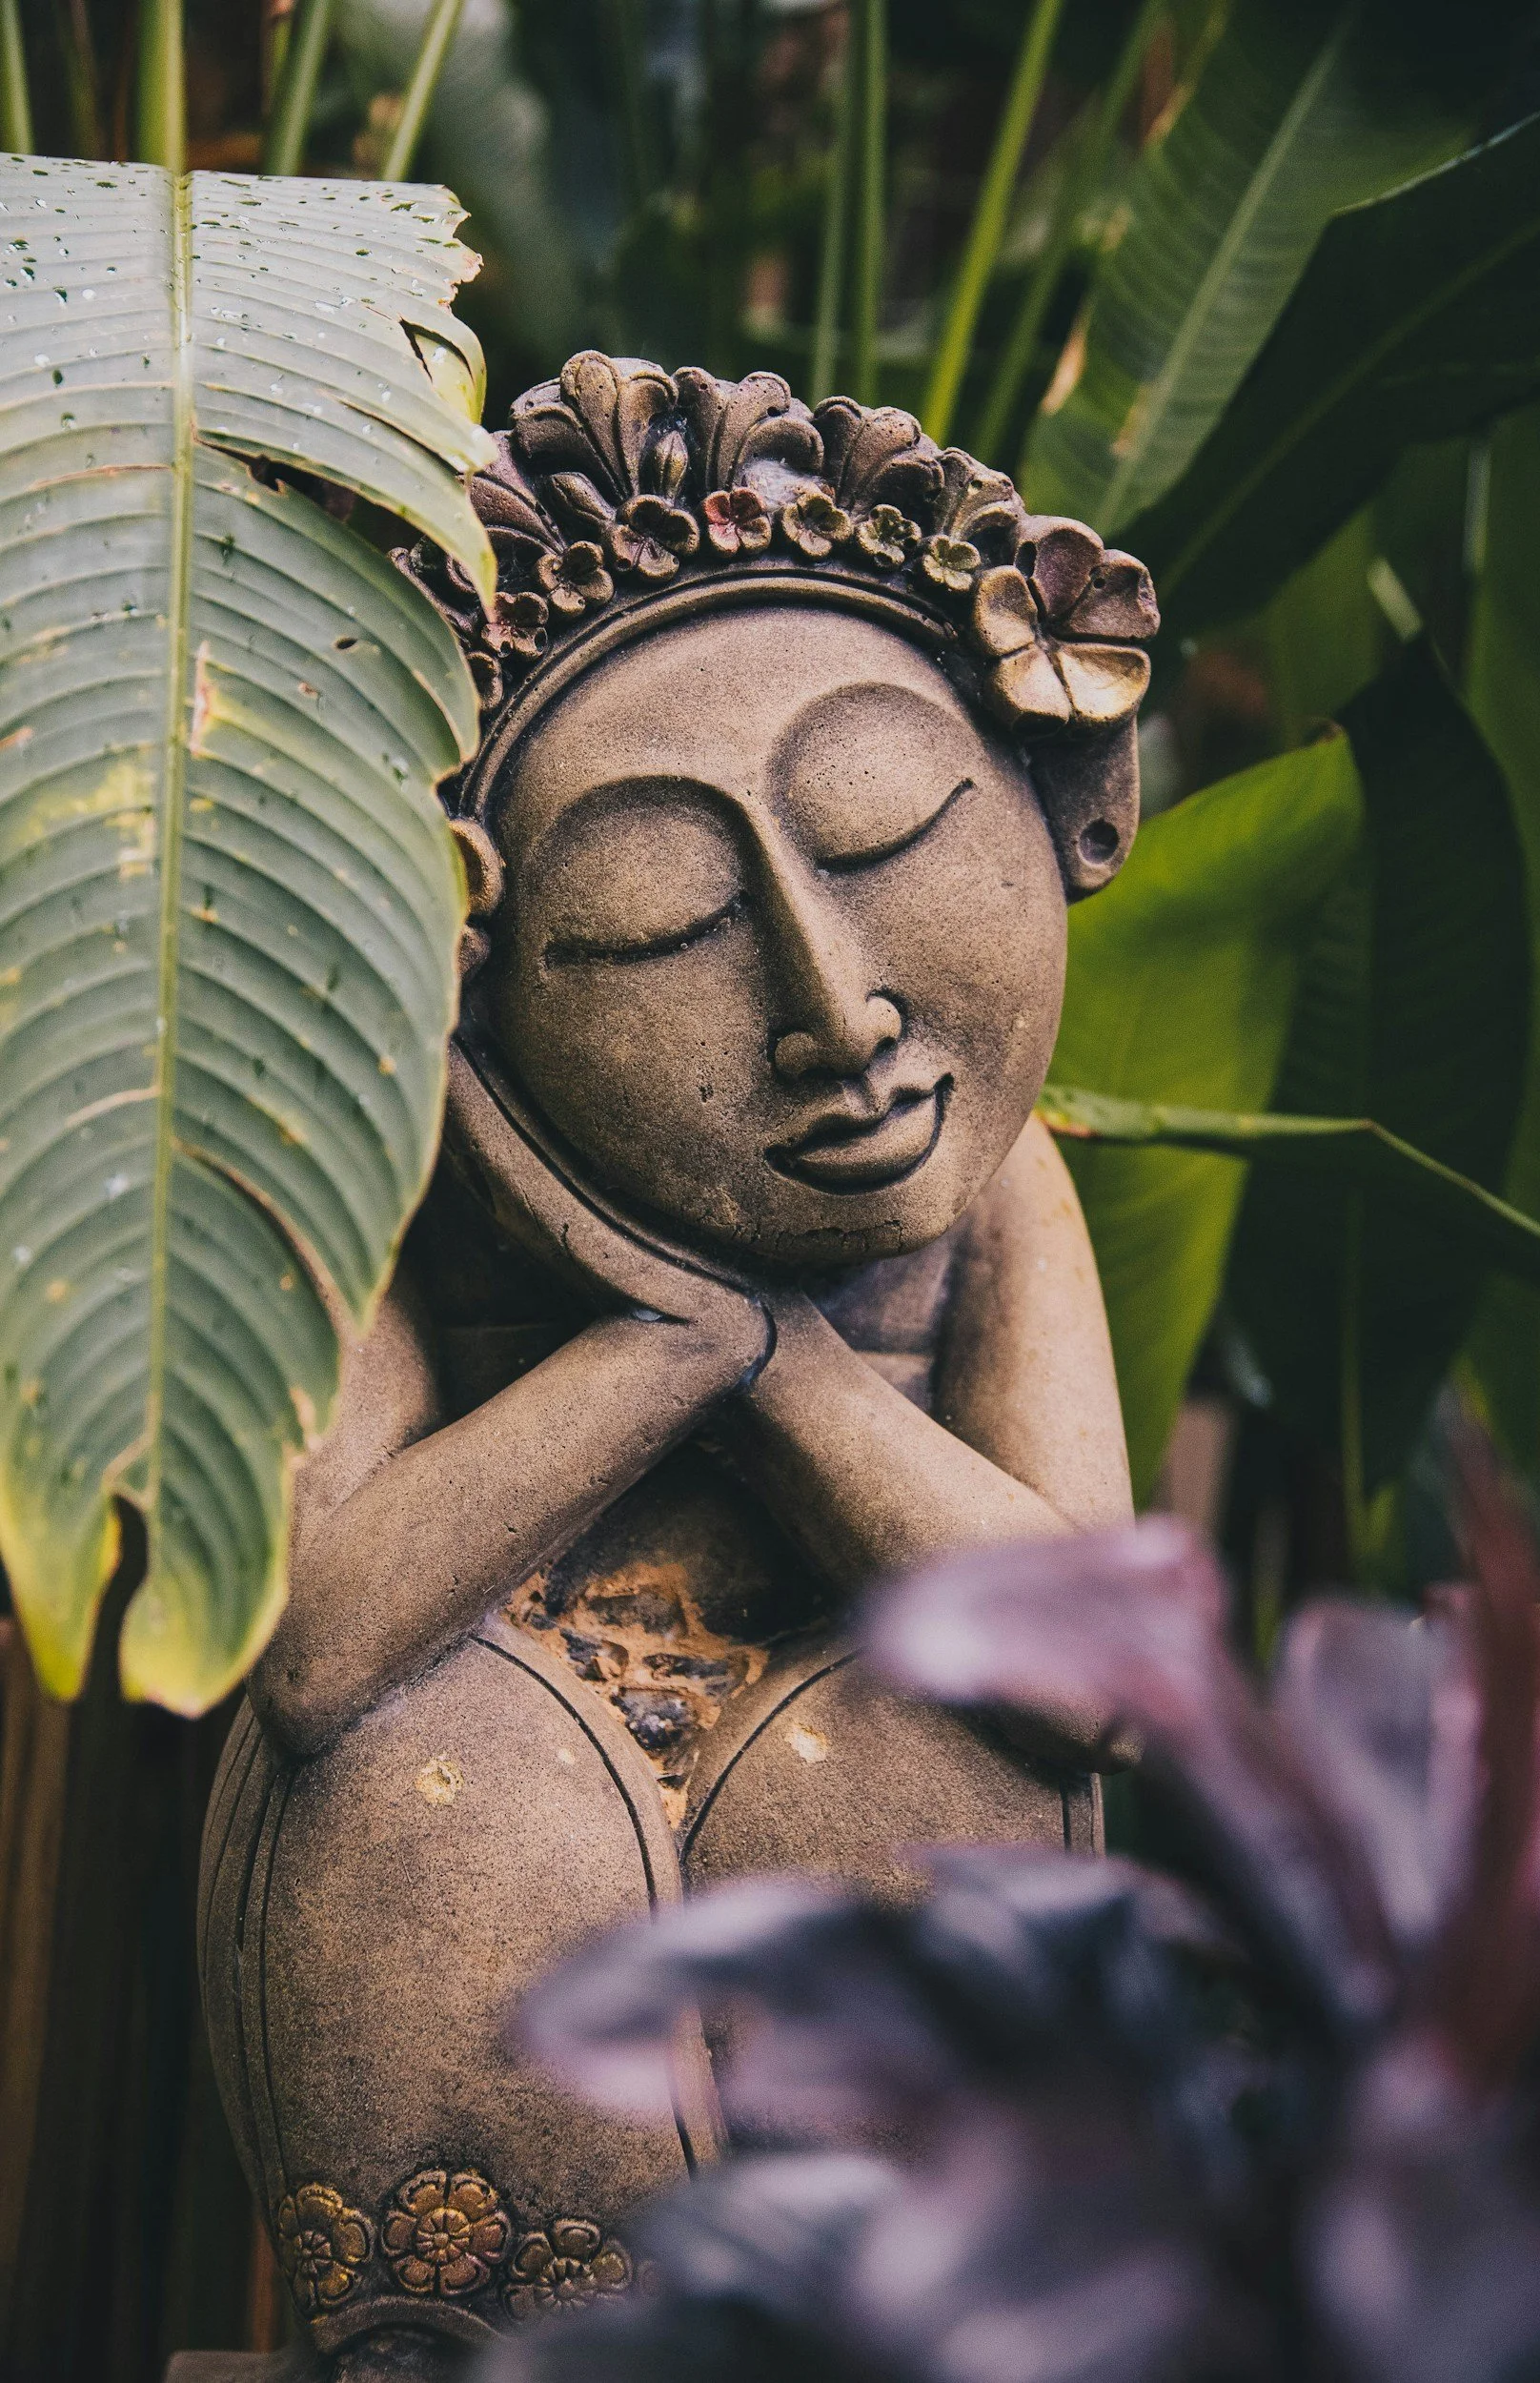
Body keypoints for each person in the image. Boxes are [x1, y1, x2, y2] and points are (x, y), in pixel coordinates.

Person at [194, 355, 1156, 2375]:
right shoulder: (388, 1200)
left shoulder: (1002, 1202)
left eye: (886, 827)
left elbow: (1084, 1680)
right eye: (652, 923)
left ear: (1075, 805)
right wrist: (646, 1346)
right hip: (481, 1958)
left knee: (942, 1735)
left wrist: (764, 1362)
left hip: (870, 1932)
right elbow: (319, 1649)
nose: (833, 1004)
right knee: (408, 1766)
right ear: (456, 990)